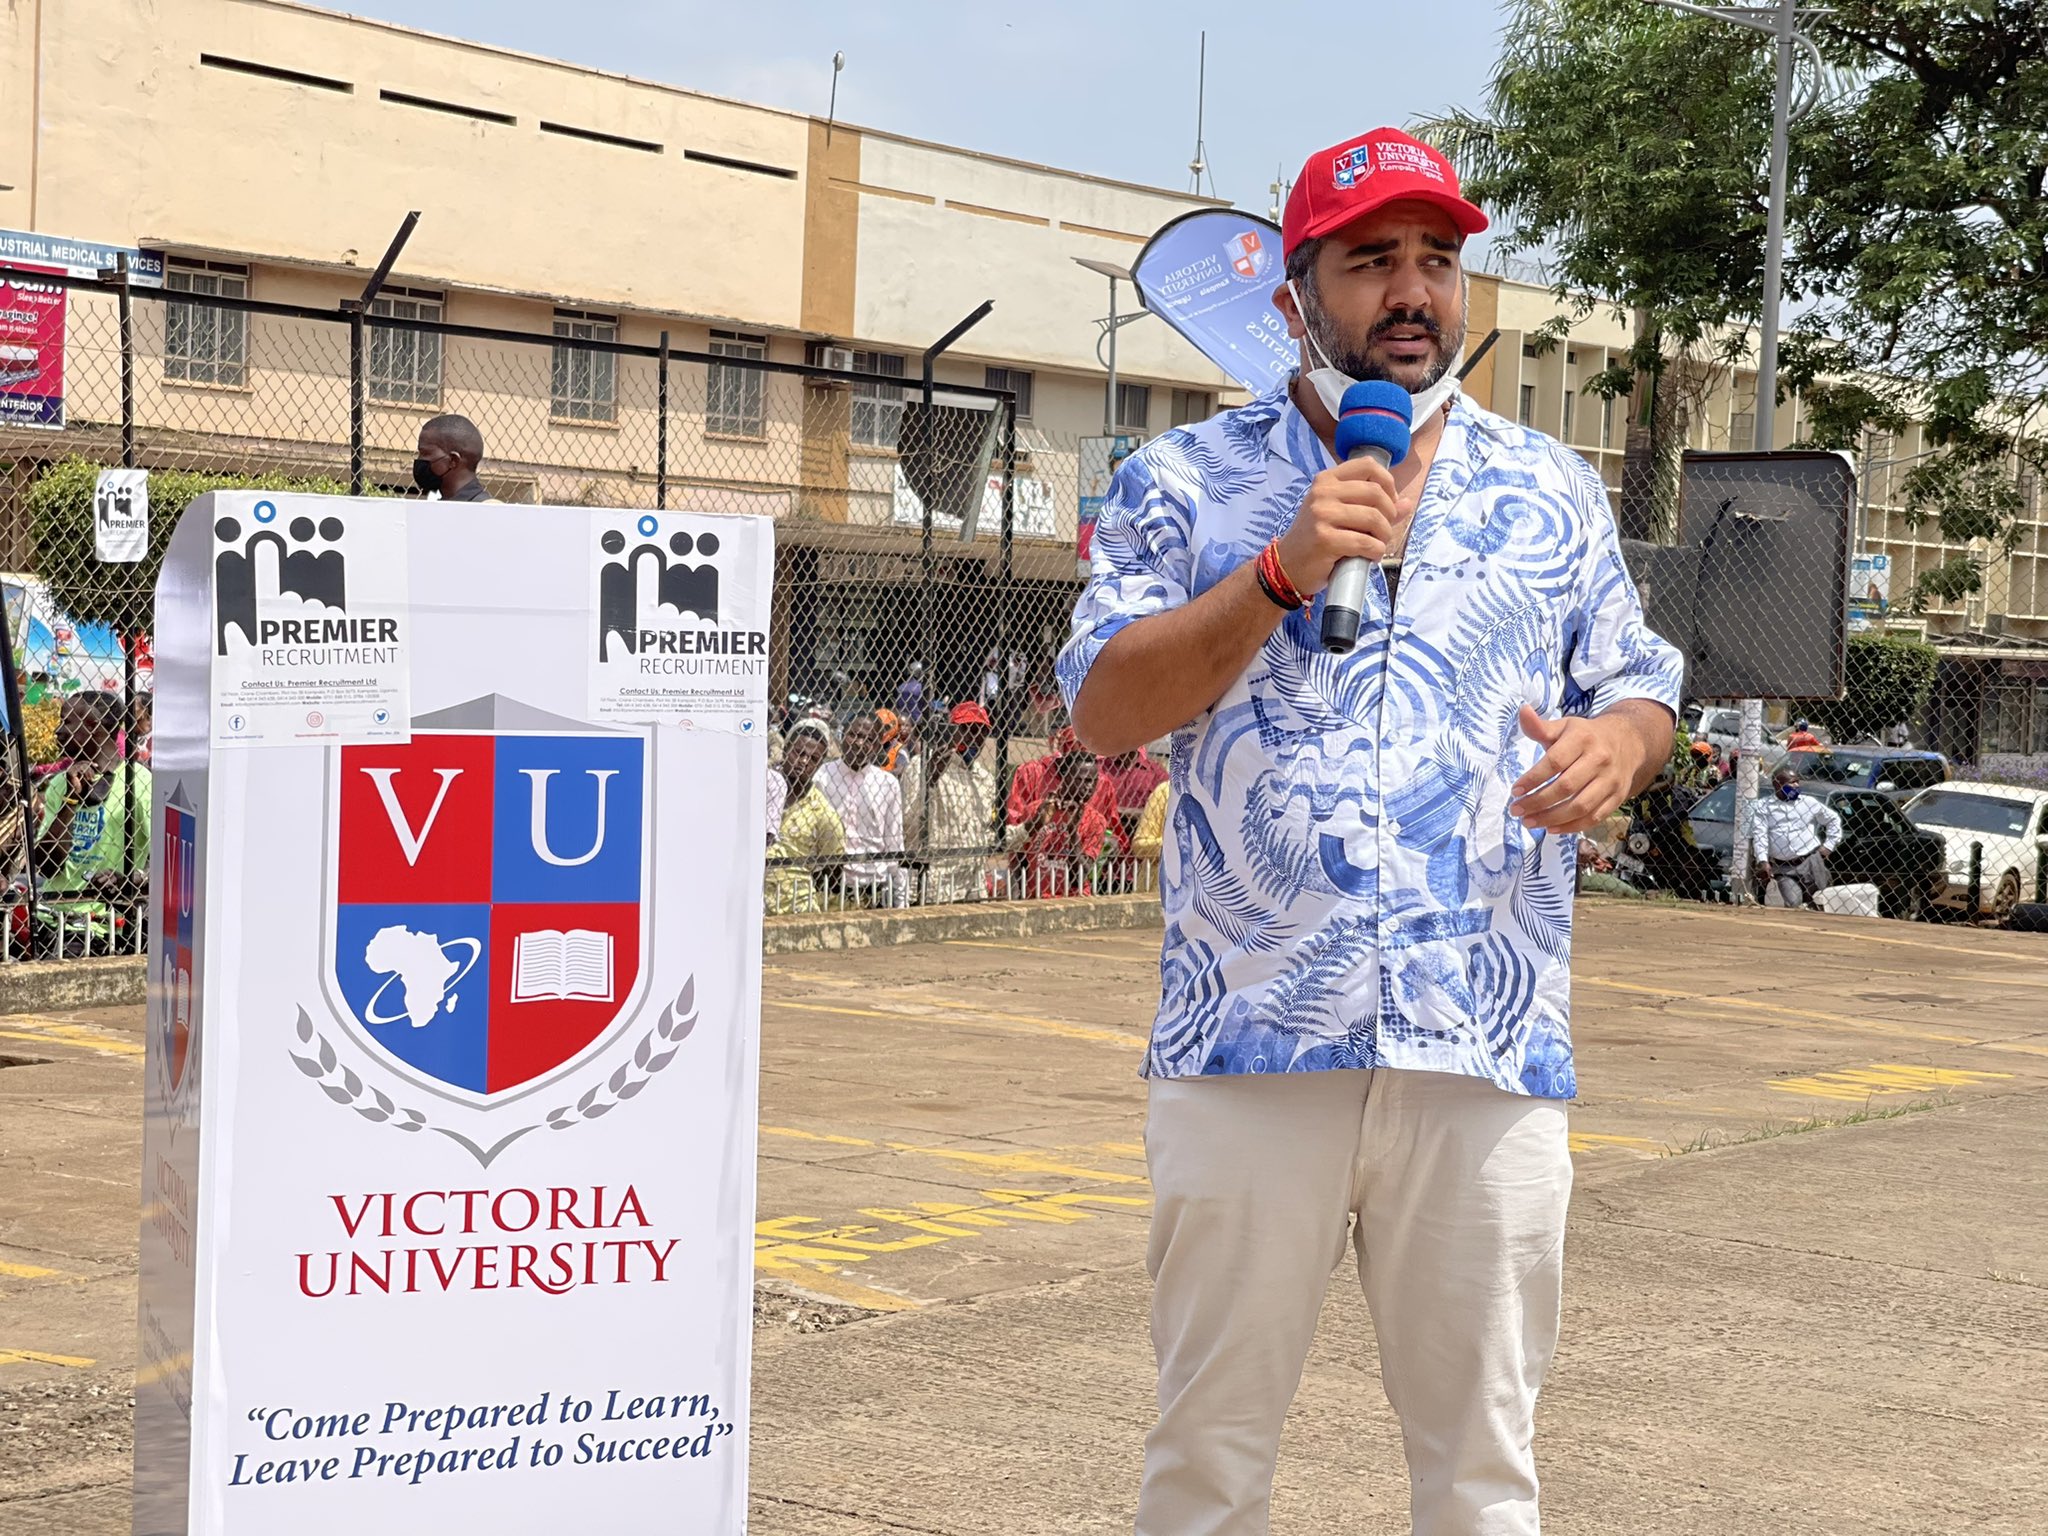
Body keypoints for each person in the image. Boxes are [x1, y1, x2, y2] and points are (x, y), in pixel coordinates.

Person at [1060, 127, 1683, 1536]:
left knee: (1482, 1474)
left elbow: (1640, 680)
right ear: (1294, 296)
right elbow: (1102, 709)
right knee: (1205, 1464)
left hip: (1483, 1038)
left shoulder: (1550, 491)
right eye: (1371, 263)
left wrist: (1621, 748)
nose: (1412, 292)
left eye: (1437, 262)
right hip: (1249, 1041)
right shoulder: (1184, 485)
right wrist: (1281, 569)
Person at [37, 691, 153, 925]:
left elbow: (169, 862)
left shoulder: (139, 782)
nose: (58, 730)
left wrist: (131, 880)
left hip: (105, 926)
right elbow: (47, 866)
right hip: (51, 919)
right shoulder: (62, 782)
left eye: (67, 721)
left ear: (94, 726)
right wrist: (71, 800)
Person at [902, 701, 999, 904]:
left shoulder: (984, 777)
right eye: (967, 729)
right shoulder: (921, 765)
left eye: (981, 731)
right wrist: (930, 782)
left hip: (973, 881)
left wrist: (1026, 828)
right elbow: (908, 825)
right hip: (935, 881)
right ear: (950, 730)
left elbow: (986, 831)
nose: (975, 737)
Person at [812, 712, 905, 906]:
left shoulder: (887, 784)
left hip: (873, 887)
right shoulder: (822, 777)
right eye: (854, 735)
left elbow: (894, 842)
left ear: (878, 746)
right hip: (830, 886)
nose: (859, 742)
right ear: (842, 735)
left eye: (869, 739)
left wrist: (900, 899)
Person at [1005, 749, 1118, 898]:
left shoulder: (1096, 821)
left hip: (1073, 898)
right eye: (1081, 780)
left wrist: (1072, 833)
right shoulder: (1036, 810)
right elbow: (1018, 860)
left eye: (1092, 781)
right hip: (1036, 896)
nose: (1089, 787)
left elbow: (1079, 878)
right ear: (1064, 777)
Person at [763, 725, 844, 915]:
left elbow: (833, 868)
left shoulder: (822, 811)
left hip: (796, 906)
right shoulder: (762, 787)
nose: (804, 761)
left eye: (813, 759)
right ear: (786, 750)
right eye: (799, 753)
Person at [1749, 762, 1843, 909]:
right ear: (1777, 785)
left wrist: (1829, 845)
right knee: (1792, 903)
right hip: (1784, 867)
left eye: (1798, 781)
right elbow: (1759, 834)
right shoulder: (1764, 807)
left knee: (1821, 903)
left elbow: (1833, 819)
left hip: (1810, 861)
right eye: (1792, 782)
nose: (1796, 786)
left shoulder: (1808, 803)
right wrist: (1762, 860)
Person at [413, 414, 490, 502]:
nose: (420, 459)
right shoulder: (438, 508)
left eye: (425, 453)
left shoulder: (489, 511)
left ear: (453, 460)